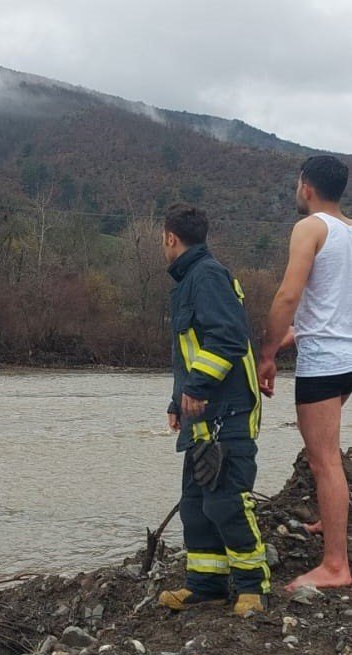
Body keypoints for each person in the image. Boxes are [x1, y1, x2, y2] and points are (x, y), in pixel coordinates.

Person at [157, 203, 271, 615]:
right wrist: (177, 401)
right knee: (195, 504)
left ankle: (251, 587)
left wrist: (199, 386)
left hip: (230, 412)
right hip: (200, 415)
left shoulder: (206, 276)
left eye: (162, 238)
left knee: (226, 501)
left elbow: (228, 337)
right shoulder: (189, 280)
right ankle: (204, 584)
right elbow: (187, 353)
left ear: (170, 237)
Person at [258, 155, 352, 591]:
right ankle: (328, 522)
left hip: (325, 362)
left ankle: (335, 565)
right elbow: (336, 302)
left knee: (324, 460)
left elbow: (287, 295)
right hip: (347, 356)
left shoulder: (310, 227)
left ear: (306, 185)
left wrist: (267, 353)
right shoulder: (350, 230)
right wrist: (303, 334)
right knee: (327, 455)